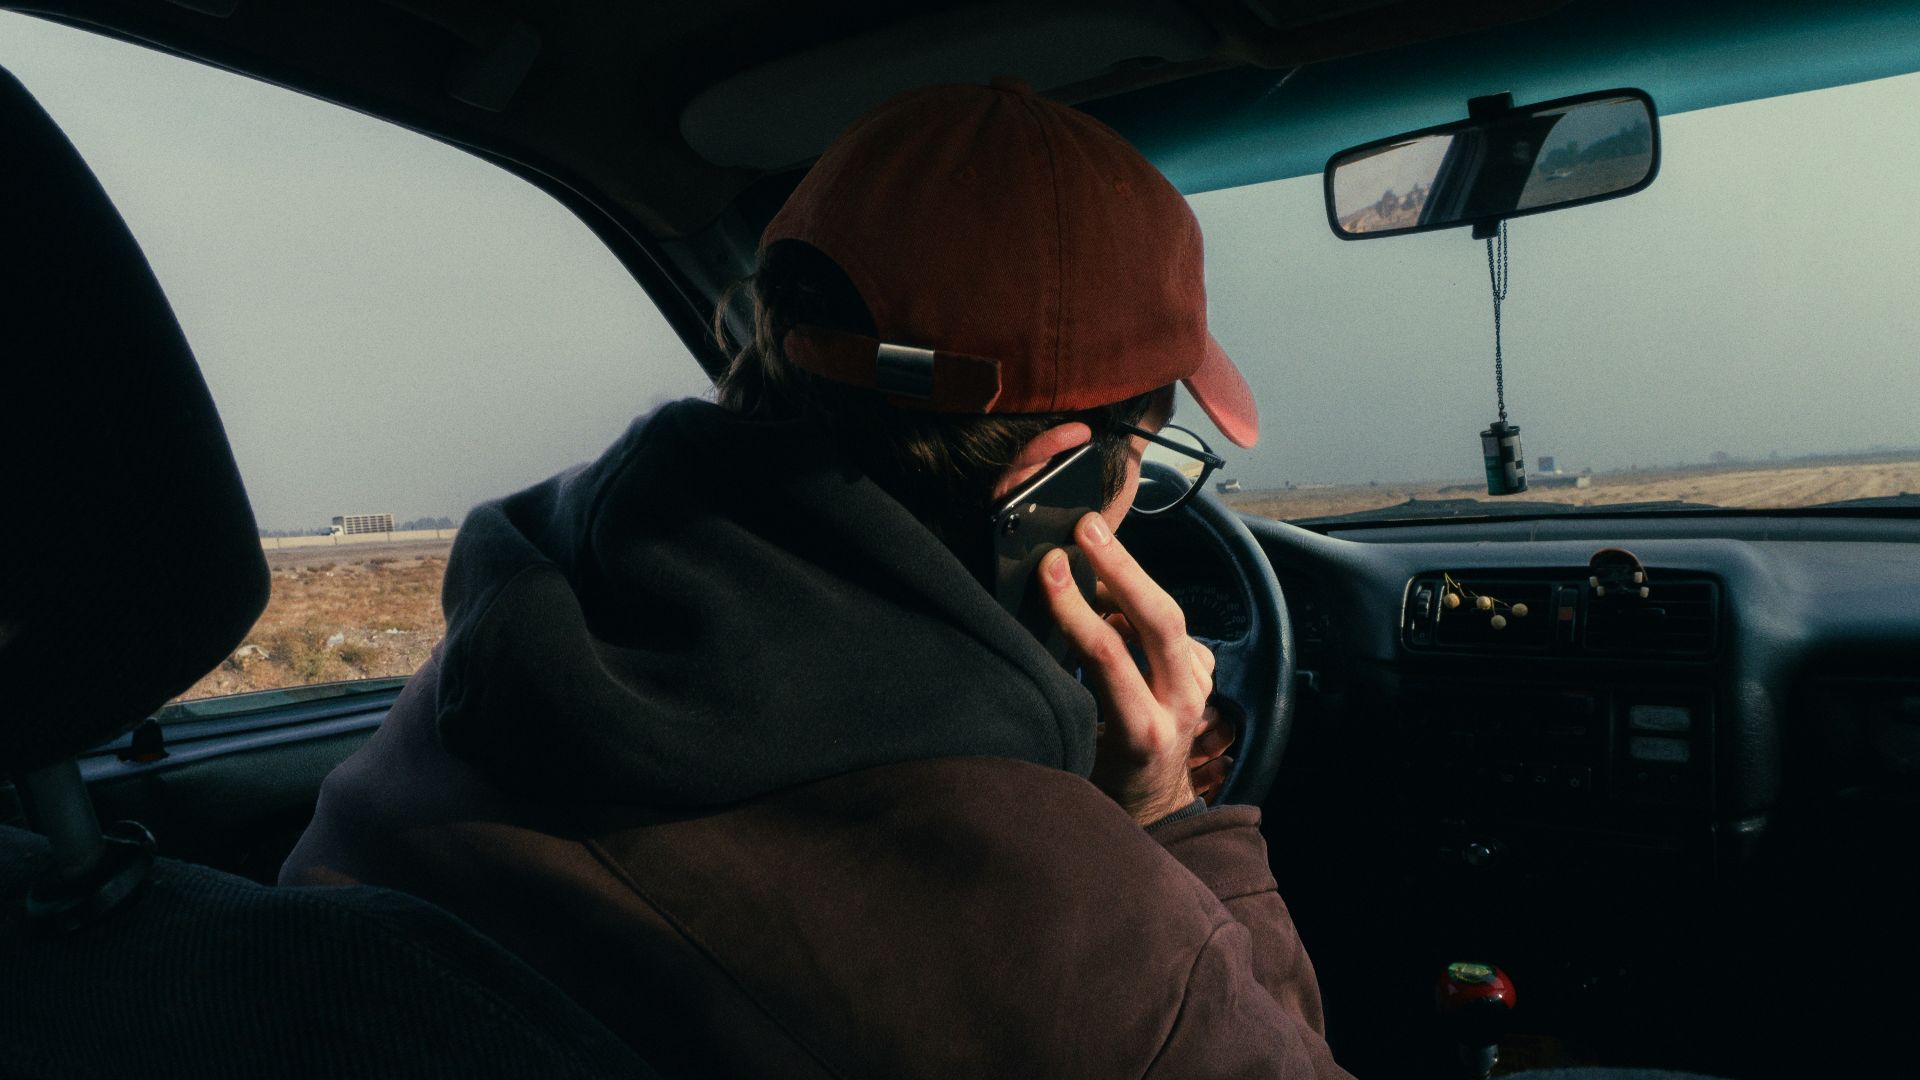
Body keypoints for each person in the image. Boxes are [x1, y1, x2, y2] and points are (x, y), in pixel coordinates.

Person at [282, 78, 1353, 1079]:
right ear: (1054, 478)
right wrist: (1168, 814)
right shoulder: (1080, 930)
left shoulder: (483, 676)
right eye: (1148, 460)